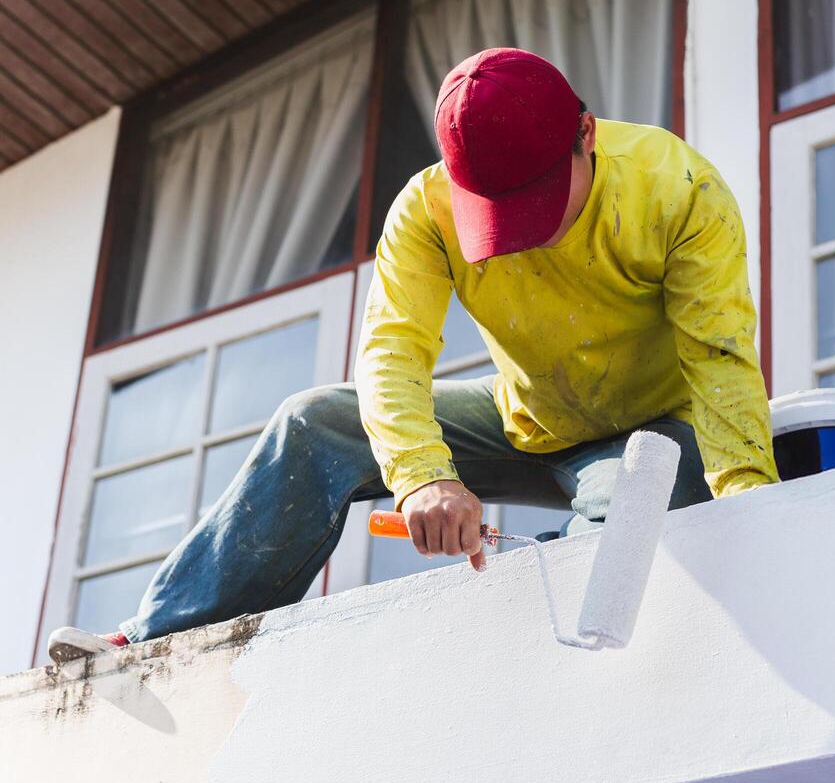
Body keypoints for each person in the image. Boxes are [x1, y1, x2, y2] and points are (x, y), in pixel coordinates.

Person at [47, 48, 777, 663]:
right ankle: (154, 642)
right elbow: (391, 353)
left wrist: (758, 512)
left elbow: (719, 361)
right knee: (314, 422)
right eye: (497, 215)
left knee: (628, 515)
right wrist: (424, 476)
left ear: (586, 134)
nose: (520, 236)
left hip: (655, 431)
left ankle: (544, 654)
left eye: (535, 202)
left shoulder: (678, 190)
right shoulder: (425, 210)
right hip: (526, 419)